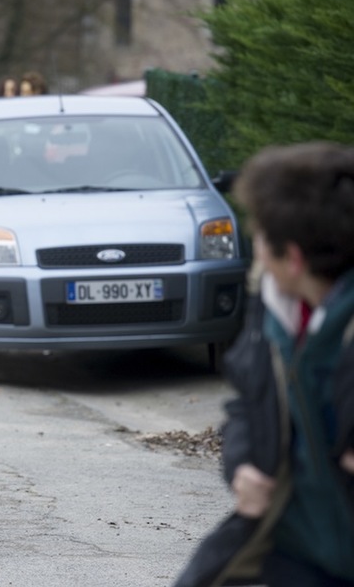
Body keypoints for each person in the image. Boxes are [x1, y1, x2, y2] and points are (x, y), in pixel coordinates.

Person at [174, 142, 354, 587]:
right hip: (295, 548)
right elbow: (246, 403)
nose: (258, 257)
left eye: (261, 242)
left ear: (292, 258)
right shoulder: (273, 308)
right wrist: (242, 467)